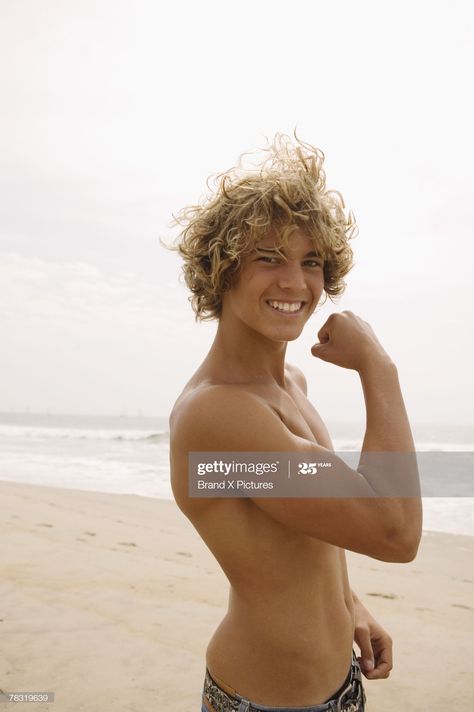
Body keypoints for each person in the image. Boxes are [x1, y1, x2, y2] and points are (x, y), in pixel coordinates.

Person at [168, 133, 422, 712]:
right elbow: (395, 533)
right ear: (221, 270)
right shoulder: (218, 416)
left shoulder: (289, 389)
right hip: (267, 702)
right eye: (268, 258)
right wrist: (379, 370)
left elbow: (287, 530)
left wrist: (347, 604)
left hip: (339, 685)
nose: (296, 282)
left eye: (311, 261)